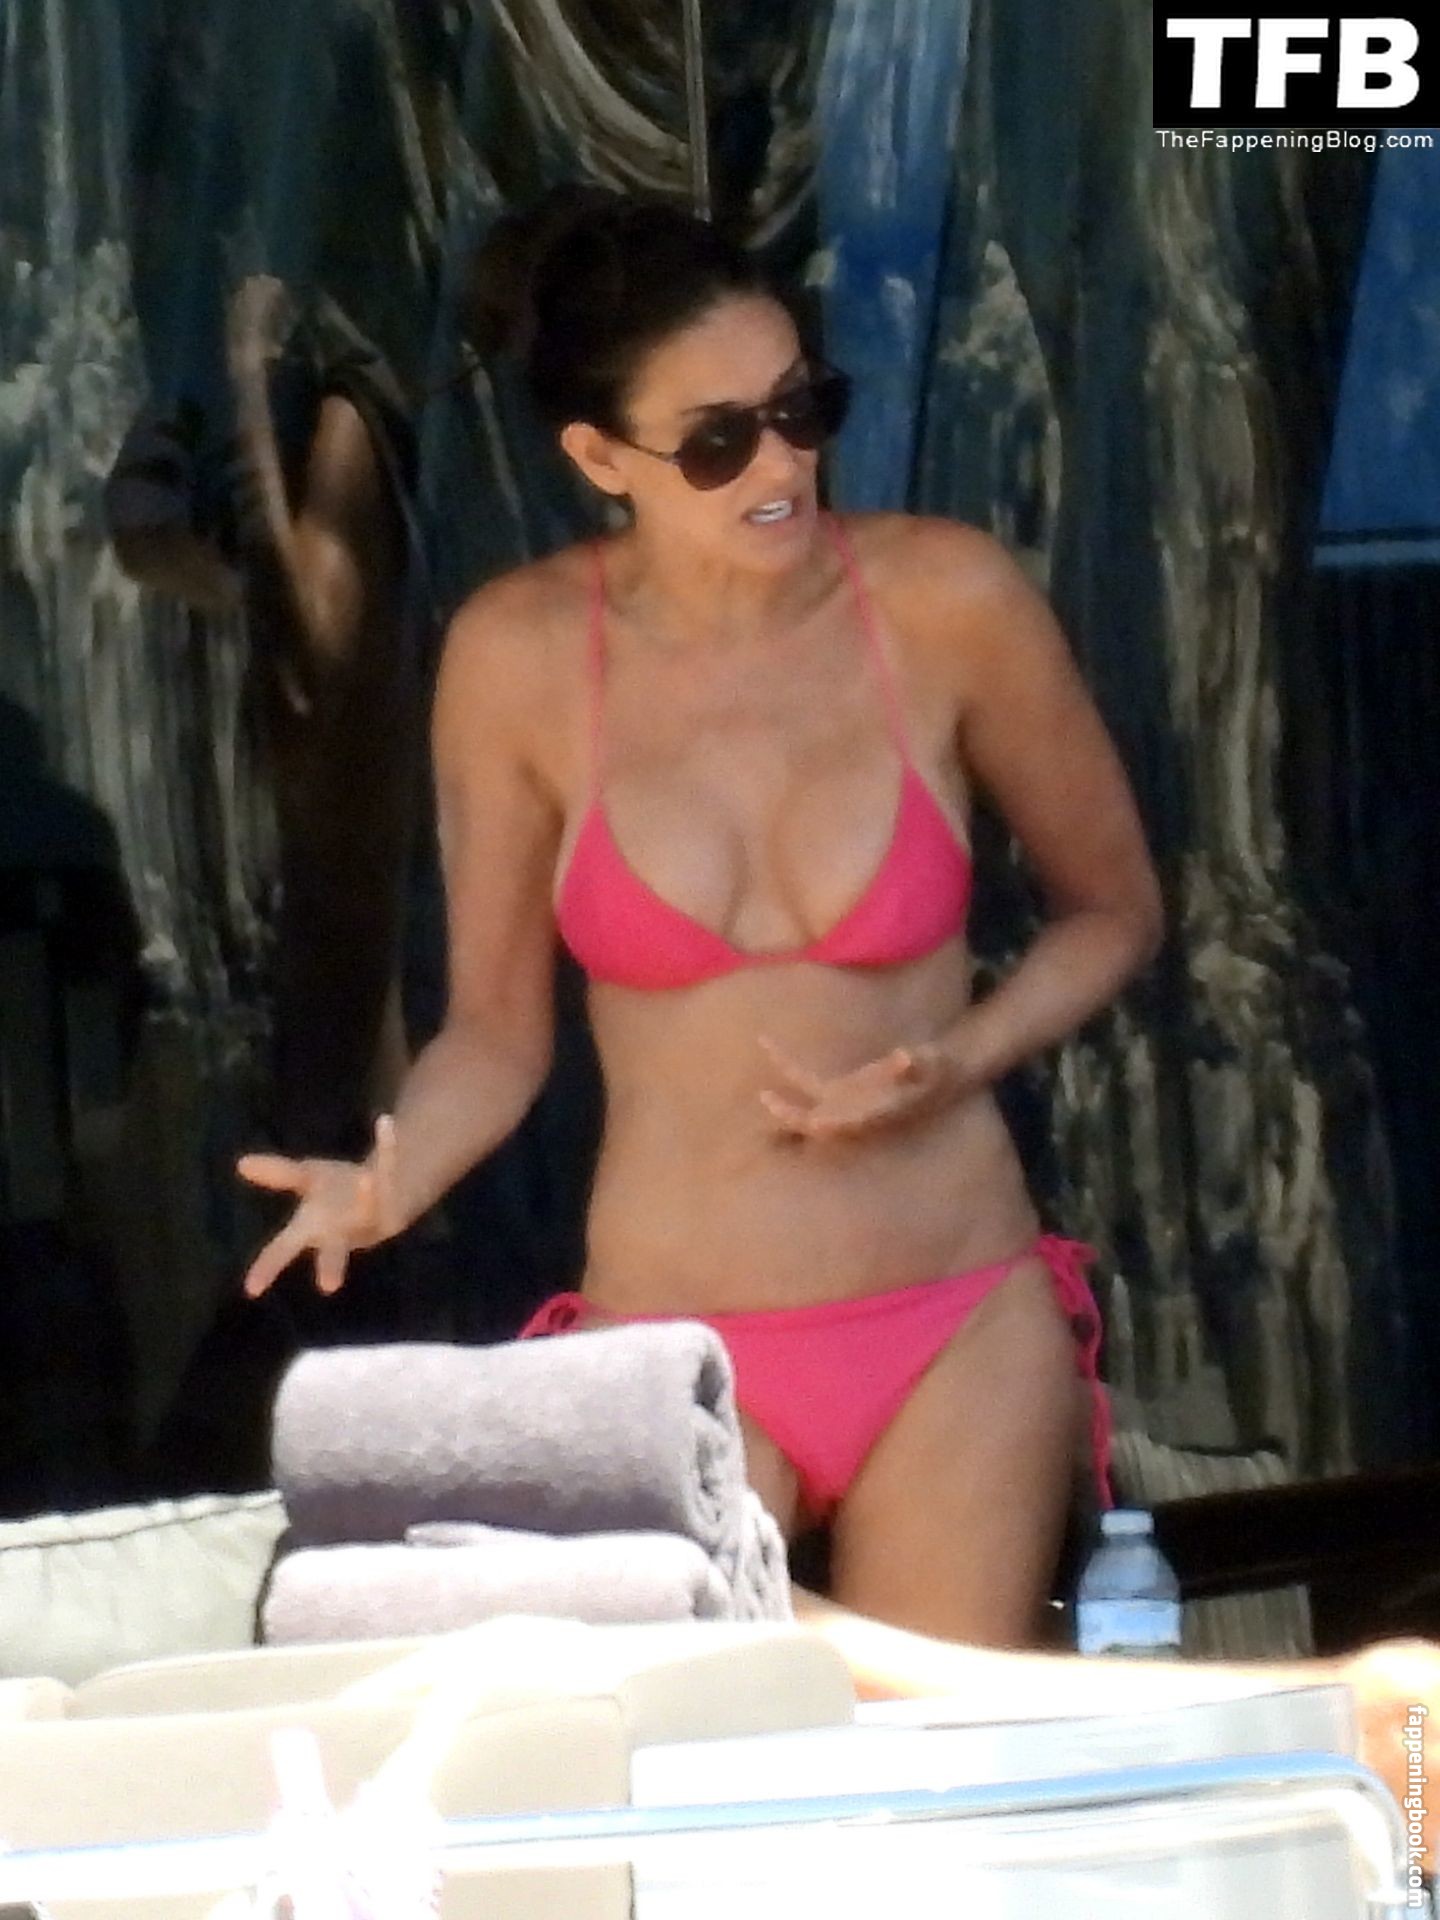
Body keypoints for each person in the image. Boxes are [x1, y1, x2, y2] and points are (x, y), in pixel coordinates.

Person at [237, 186, 1161, 1646]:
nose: (782, 463)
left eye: (802, 409)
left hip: (952, 1310)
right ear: (600, 457)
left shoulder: (945, 599)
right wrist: (389, 1182)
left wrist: (958, 1060)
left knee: (941, 1759)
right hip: (676, 1333)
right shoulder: (521, 656)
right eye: (720, 441)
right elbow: (497, 1032)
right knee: (703, 1758)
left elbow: (1115, 910)